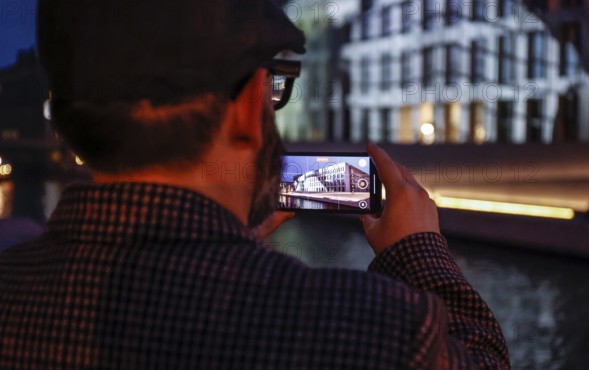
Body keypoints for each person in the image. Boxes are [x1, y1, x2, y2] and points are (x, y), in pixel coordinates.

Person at [0, 0, 510, 368]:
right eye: (275, 85)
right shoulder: (380, 329)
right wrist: (420, 252)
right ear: (249, 107)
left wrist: (220, 248)